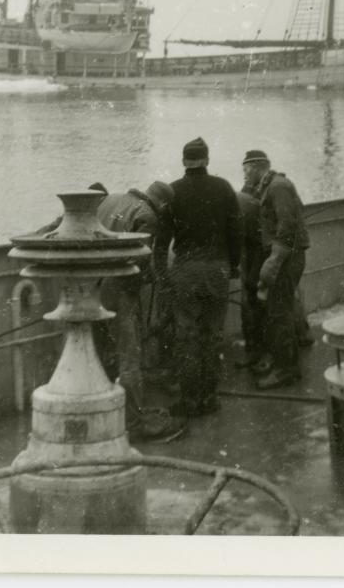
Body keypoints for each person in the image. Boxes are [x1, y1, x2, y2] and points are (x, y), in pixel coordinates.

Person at [93, 181, 185, 444]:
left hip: (91, 289)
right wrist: (150, 280)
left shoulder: (109, 199)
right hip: (119, 292)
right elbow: (140, 261)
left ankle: (103, 413)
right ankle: (133, 424)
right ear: (164, 205)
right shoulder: (147, 216)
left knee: (100, 355)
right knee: (130, 358)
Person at [160, 137, 241, 420]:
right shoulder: (224, 188)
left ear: (184, 162)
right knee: (212, 335)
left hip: (185, 271)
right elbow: (235, 232)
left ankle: (189, 401)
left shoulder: (172, 192)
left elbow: (162, 239)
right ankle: (210, 397)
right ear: (207, 160)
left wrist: (160, 272)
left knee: (186, 337)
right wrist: (235, 267)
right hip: (218, 270)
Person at [241, 150, 313, 390]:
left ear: (256, 168)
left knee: (278, 314)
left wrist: (272, 263)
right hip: (286, 256)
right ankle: (285, 364)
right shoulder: (272, 186)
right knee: (278, 311)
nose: (244, 174)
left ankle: (285, 371)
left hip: (286, 258)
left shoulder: (277, 187)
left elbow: (288, 226)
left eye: (246, 169)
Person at [234, 182, 265, 370]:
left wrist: (252, 277)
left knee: (253, 306)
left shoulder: (242, 207)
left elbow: (258, 244)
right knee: (251, 306)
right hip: (251, 256)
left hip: (257, 258)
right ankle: (256, 352)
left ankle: (257, 353)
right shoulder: (245, 202)